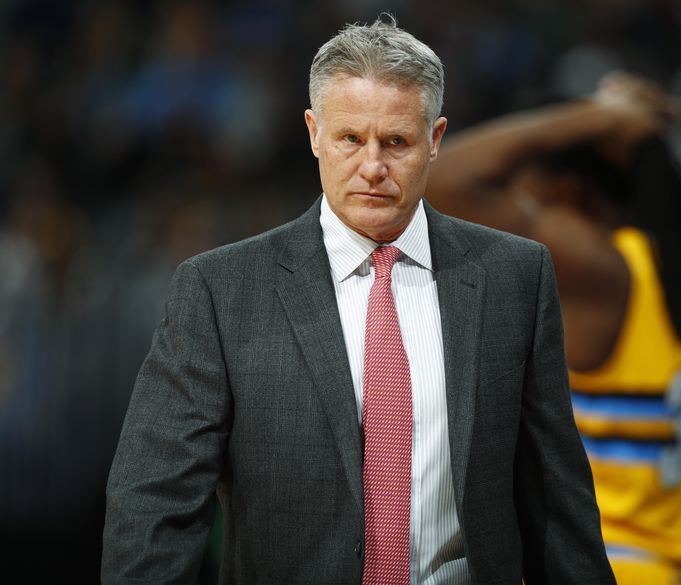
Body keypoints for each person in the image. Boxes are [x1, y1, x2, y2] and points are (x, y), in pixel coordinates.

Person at [101, 17, 615, 585]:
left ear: (435, 140)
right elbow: (155, 504)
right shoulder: (220, 291)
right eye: (350, 139)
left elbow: (558, 503)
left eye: (396, 142)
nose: (372, 167)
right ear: (314, 132)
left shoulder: (514, 276)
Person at [426, 76, 681, 585]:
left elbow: (437, 180)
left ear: (566, 191)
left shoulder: (600, 272)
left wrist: (600, 115)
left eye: (523, 194)